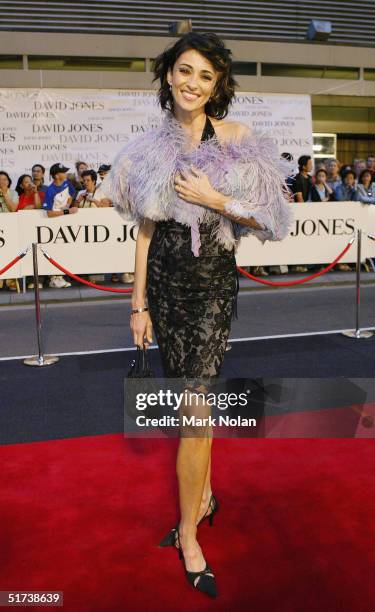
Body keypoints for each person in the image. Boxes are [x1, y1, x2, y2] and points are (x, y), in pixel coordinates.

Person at [106, 32, 293, 599]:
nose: (192, 83)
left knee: (196, 412)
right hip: (163, 284)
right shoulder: (146, 149)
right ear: (168, 76)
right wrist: (137, 304)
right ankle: (204, 498)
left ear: (218, 86)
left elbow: (268, 216)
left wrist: (216, 201)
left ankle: (189, 533)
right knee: (197, 409)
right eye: (184, 71)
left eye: (206, 76)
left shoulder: (236, 139)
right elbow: (144, 231)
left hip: (211, 286)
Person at [43, 163, 78, 288]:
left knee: (65, 250)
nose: (65, 174)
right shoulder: (50, 190)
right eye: (63, 172)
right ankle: (54, 278)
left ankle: (61, 276)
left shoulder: (67, 183)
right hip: (53, 224)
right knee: (54, 251)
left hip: (65, 222)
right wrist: (67, 211)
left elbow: (72, 194)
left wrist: (69, 202)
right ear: (57, 175)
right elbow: (49, 213)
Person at [0, 171, 19, 291]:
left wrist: (4, 193)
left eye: (4, 179)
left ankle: (11, 280)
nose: (2, 181)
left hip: (11, 228)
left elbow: (13, 209)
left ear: (8, 181)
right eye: (0, 179)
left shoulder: (13, 193)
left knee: (10, 254)